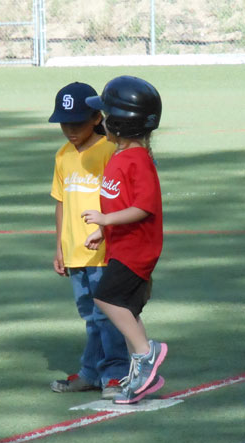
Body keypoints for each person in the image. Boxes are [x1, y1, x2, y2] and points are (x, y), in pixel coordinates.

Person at [81, 75, 168, 404]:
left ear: (120, 122)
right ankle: (144, 375)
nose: (100, 121)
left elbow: (142, 208)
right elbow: (118, 203)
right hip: (121, 246)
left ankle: (147, 354)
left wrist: (105, 220)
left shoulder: (138, 161)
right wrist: (102, 230)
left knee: (106, 299)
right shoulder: (120, 157)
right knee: (127, 309)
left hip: (137, 250)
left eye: (104, 115)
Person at [49, 81, 130, 399]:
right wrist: (59, 246)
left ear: (97, 118)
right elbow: (61, 202)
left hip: (103, 249)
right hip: (74, 251)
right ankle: (95, 373)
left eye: (78, 122)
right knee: (89, 315)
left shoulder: (110, 150)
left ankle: (114, 373)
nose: (70, 129)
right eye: (64, 123)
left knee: (105, 314)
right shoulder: (63, 155)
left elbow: (121, 199)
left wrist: (108, 231)